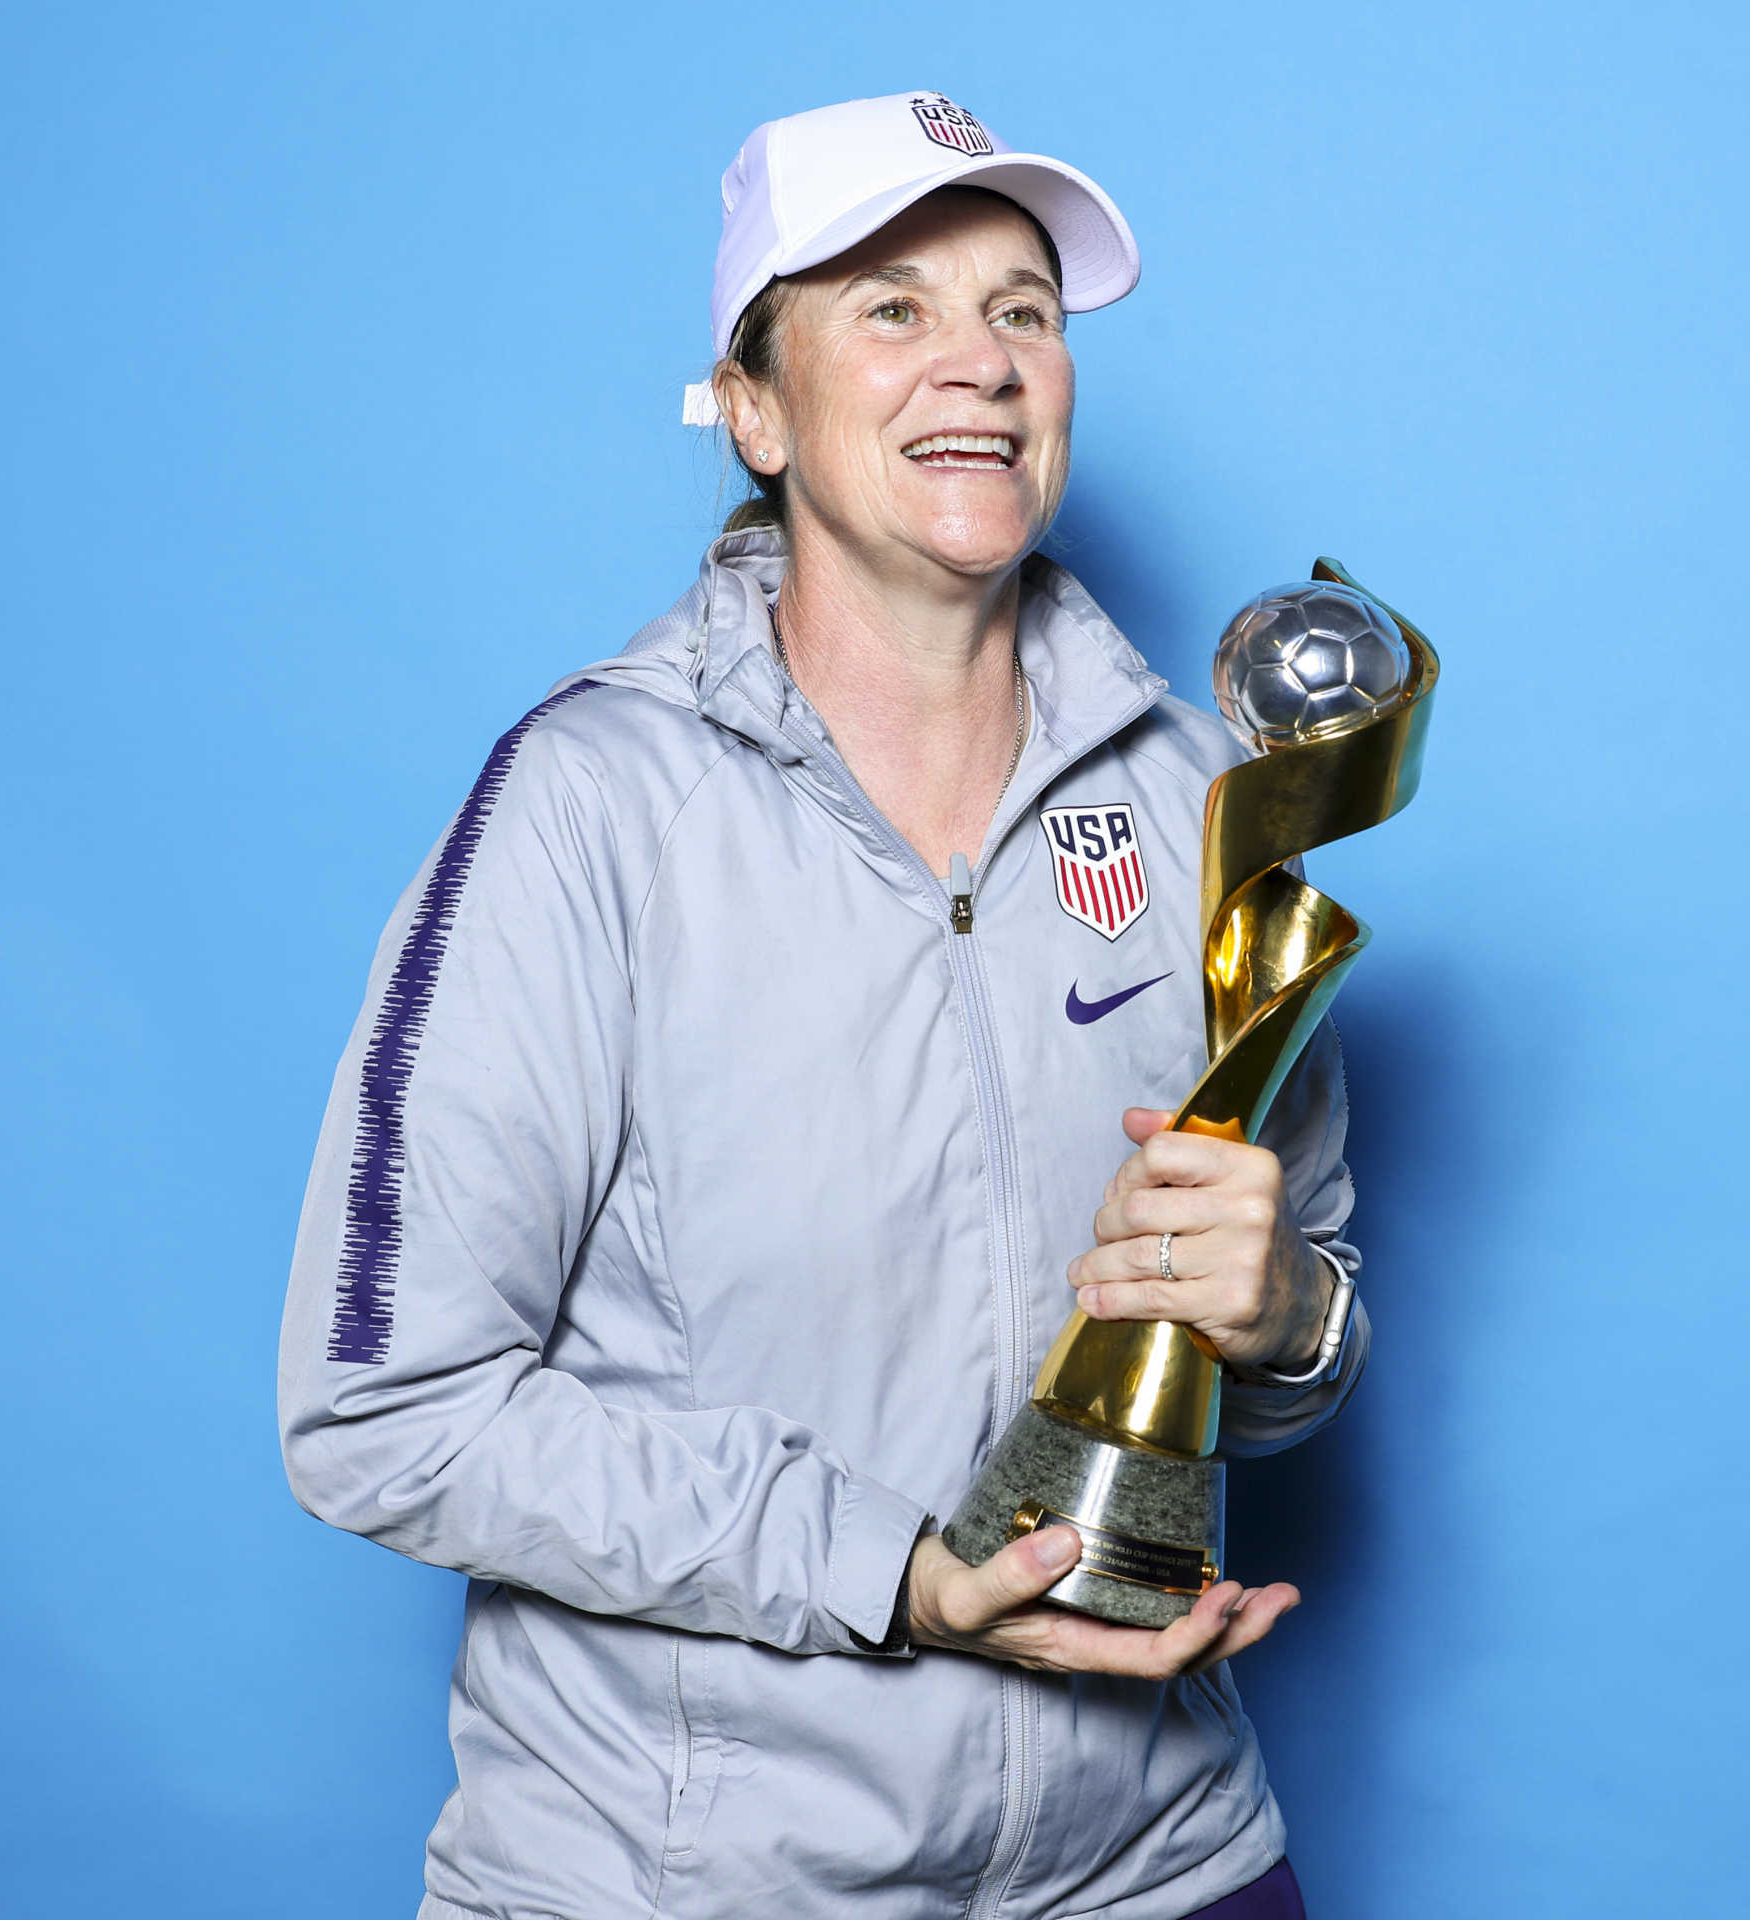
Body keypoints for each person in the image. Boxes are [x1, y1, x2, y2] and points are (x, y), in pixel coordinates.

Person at [278, 92, 1366, 1920]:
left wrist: (1284, 1318)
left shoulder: (1199, 794)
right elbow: (388, 1407)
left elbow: (1299, 1337)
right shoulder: (589, 810)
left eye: (1023, 311)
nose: (984, 365)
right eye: (890, 307)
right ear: (758, 409)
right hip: (702, 1878)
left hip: (1158, 1862)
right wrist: (898, 1570)